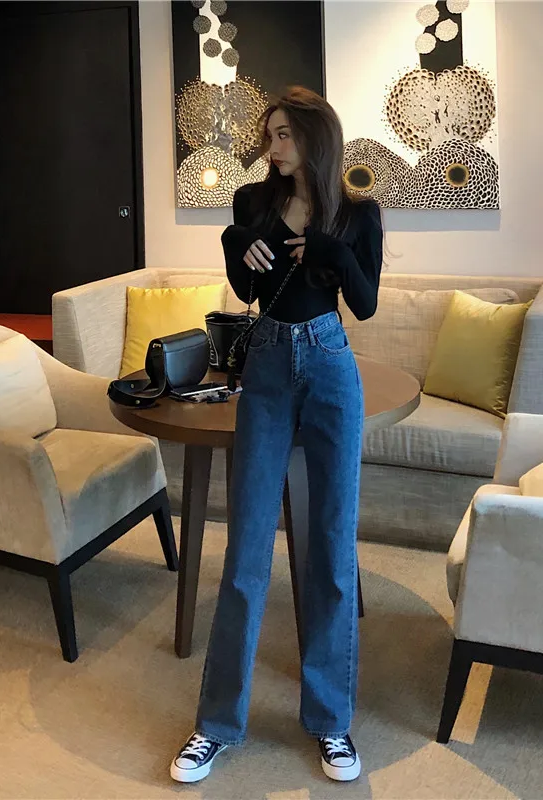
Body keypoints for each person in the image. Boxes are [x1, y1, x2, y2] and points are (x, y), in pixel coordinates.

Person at [170, 86, 383, 784]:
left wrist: (332, 250)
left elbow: (364, 302)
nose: (272, 145)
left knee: (331, 545)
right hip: (265, 364)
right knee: (246, 548)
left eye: (284, 133)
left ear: (315, 138)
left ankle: (331, 723)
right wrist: (234, 241)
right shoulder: (252, 204)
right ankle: (216, 725)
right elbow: (247, 289)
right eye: (270, 134)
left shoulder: (358, 212)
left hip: (330, 363)